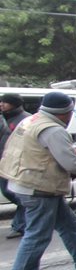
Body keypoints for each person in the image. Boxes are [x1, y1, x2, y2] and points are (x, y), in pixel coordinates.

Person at [0, 91, 76, 270]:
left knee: (70, 225)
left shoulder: (32, 120)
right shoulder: (53, 129)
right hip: (39, 187)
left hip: (26, 181)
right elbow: (71, 163)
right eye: (70, 112)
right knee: (38, 234)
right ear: (64, 112)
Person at [1, 93, 32, 239]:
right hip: (5, 161)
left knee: (13, 193)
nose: (1, 104)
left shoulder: (25, 119)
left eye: (5, 102)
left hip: (16, 163)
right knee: (8, 191)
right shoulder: (5, 118)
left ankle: (21, 223)